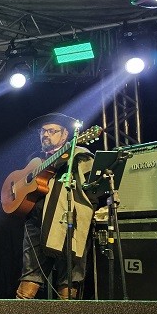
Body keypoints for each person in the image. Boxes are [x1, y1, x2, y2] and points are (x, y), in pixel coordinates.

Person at [15, 112, 95, 300]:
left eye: (52, 131)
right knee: (30, 275)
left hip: (68, 221)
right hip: (36, 221)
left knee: (69, 277)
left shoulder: (79, 156)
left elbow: (91, 189)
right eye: (43, 131)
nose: (45, 135)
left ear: (65, 134)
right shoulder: (34, 159)